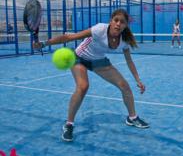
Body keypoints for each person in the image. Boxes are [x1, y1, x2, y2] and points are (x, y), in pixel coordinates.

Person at [33, 9, 149, 142]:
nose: (118, 24)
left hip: (98, 61)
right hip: (79, 58)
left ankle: (132, 118)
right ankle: (69, 124)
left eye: (122, 22)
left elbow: (129, 61)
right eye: (116, 20)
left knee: (124, 86)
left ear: (125, 25)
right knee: (83, 86)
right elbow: (69, 37)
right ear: (111, 21)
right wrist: (43, 44)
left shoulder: (124, 40)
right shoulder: (99, 29)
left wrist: (138, 80)